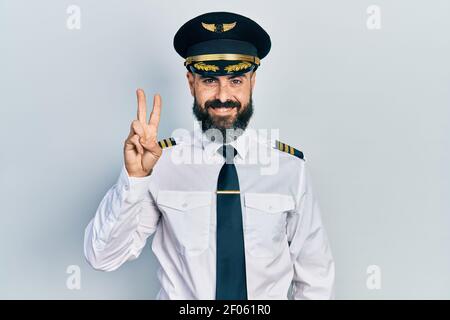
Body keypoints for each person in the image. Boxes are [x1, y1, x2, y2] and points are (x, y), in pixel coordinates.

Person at [84, 11, 335, 300]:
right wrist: (135, 180)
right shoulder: (160, 163)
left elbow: (315, 276)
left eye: (236, 80)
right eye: (209, 81)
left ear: (253, 81)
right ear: (191, 83)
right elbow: (102, 257)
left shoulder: (290, 168)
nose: (223, 95)